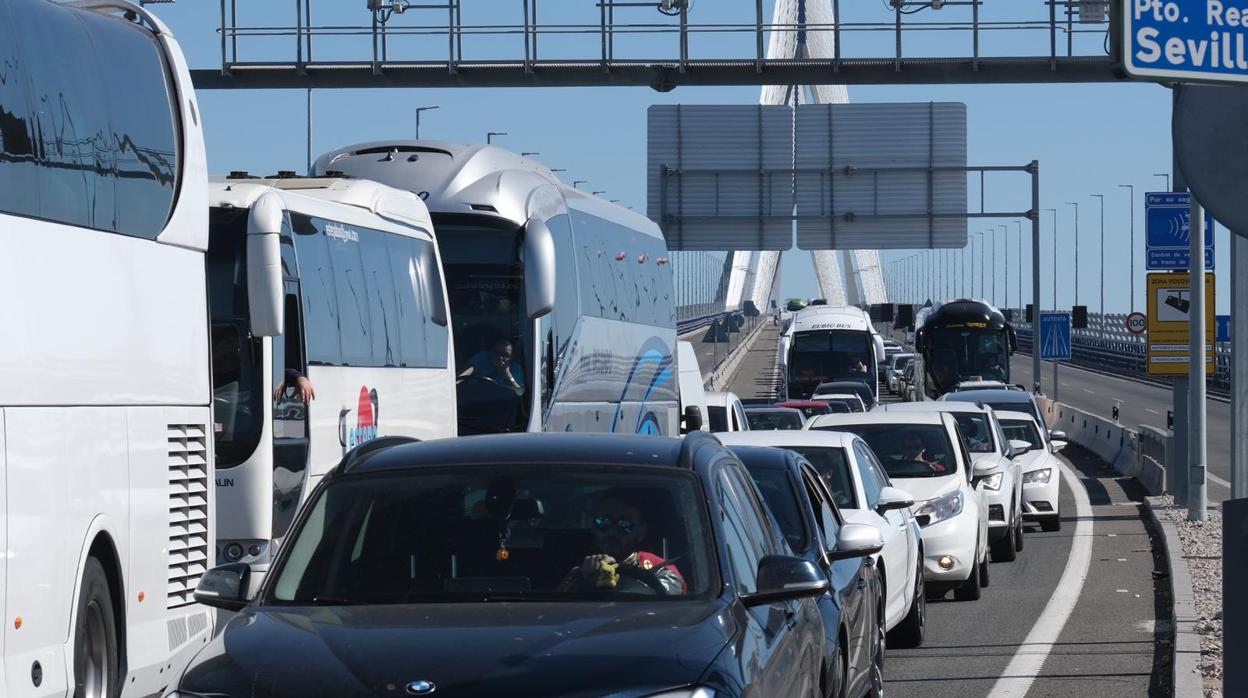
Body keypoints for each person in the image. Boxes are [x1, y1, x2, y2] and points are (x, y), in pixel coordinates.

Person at [559, 489, 686, 595]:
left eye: (624, 525)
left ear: (640, 533)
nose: (612, 532)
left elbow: (670, 598)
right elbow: (559, 607)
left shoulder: (659, 568)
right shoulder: (577, 567)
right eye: (603, 522)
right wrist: (587, 580)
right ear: (593, 527)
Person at [459, 339, 524, 395]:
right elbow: (462, 375)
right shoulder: (482, 358)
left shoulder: (516, 369)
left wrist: (508, 375)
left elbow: (520, 393)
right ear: (491, 352)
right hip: (473, 397)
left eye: (505, 355)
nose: (500, 358)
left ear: (511, 357)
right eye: (497, 353)